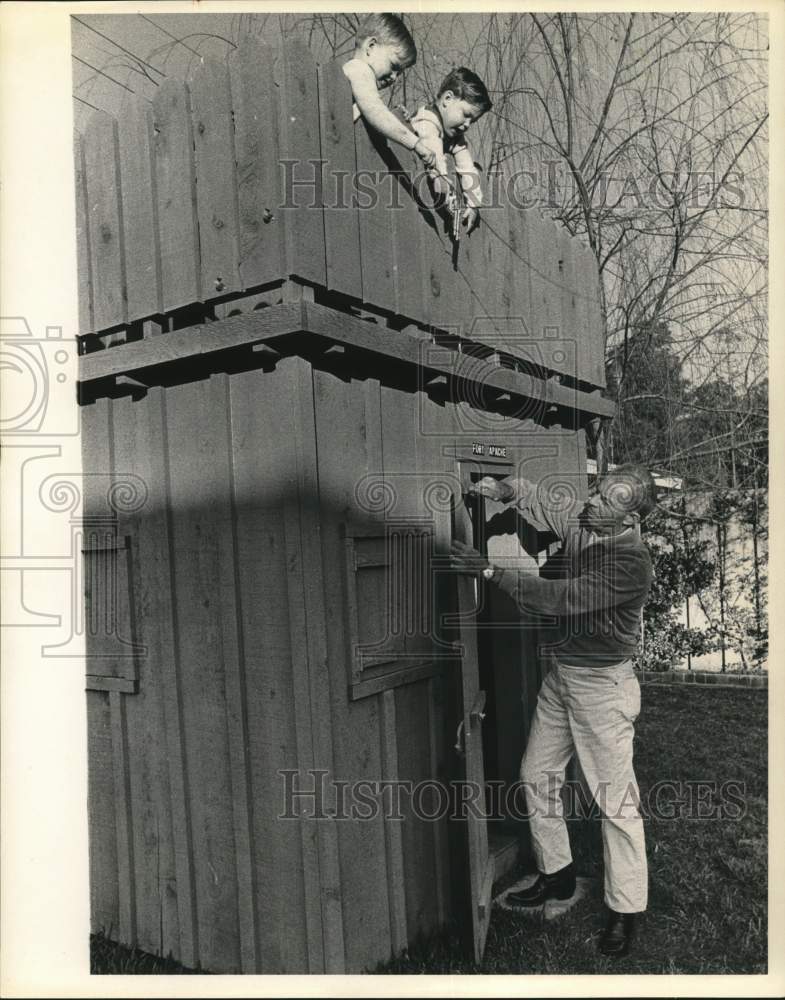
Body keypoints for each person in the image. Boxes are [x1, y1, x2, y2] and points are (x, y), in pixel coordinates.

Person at [449, 464, 657, 958]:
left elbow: (561, 600)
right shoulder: (589, 521)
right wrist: (505, 490)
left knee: (616, 801)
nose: (591, 501)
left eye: (607, 500)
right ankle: (558, 877)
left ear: (630, 516)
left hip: (603, 687)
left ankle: (626, 910)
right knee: (536, 774)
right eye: (596, 491)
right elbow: (545, 500)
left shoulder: (629, 563)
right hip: (563, 676)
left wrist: (489, 570)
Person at [341, 14, 436, 168]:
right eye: (393, 66)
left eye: (399, 73)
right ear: (371, 46)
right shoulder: (359, 69)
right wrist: (415, 143)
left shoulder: (359, 83)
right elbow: (375, 111)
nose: (394, 78)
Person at [409, 68, 492, 235]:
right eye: (466, 115)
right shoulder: (427, 119)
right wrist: (448, 194)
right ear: (447, 99)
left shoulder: (456, 137)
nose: (468, 124)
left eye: (473, 121)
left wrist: (474, 202)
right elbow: (435, 159)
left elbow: (467, 167)